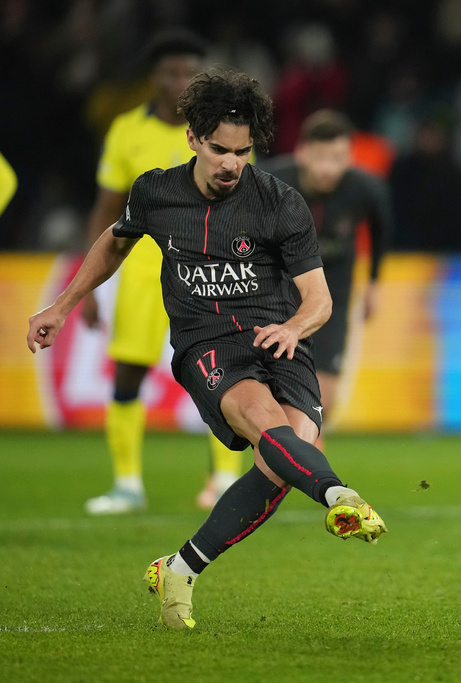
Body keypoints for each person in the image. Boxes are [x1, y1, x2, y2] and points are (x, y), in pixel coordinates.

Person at [27, 68, 387, 630]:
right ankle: (342, 495)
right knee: (271, 426)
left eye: (242, 152)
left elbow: (320, 299)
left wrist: (295, 327)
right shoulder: (156, 192)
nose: (230, 164)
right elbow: (114, 243)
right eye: (219, 149)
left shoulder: (279, 202)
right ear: (193, 137)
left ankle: (181, 567)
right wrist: (63, 304)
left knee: (284, 455)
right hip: (208, 345)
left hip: (276, 337)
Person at [78, 29, 243, 514]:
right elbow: (106, 208)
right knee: (128, 372)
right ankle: (127, 484)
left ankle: (225, 479)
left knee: (223, 370)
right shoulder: (127, 130)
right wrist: (85, 286)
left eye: (188, 71)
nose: (178, 81)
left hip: (210, 271)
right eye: (170, 72)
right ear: (154, 77)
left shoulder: (223, 132)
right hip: (143, 269)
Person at [261, 110, 393, 451]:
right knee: (272, 392)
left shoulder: (367, 189)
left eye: (336, 158)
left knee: (325, 400)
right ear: (302, 152)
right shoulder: (270, 181)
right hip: (280, 291)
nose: (326, 168)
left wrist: (375, 283)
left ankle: (303, 456)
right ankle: (303, 462)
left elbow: (381, 230)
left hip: (334, 294)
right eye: (320, 157)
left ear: (349, 157)